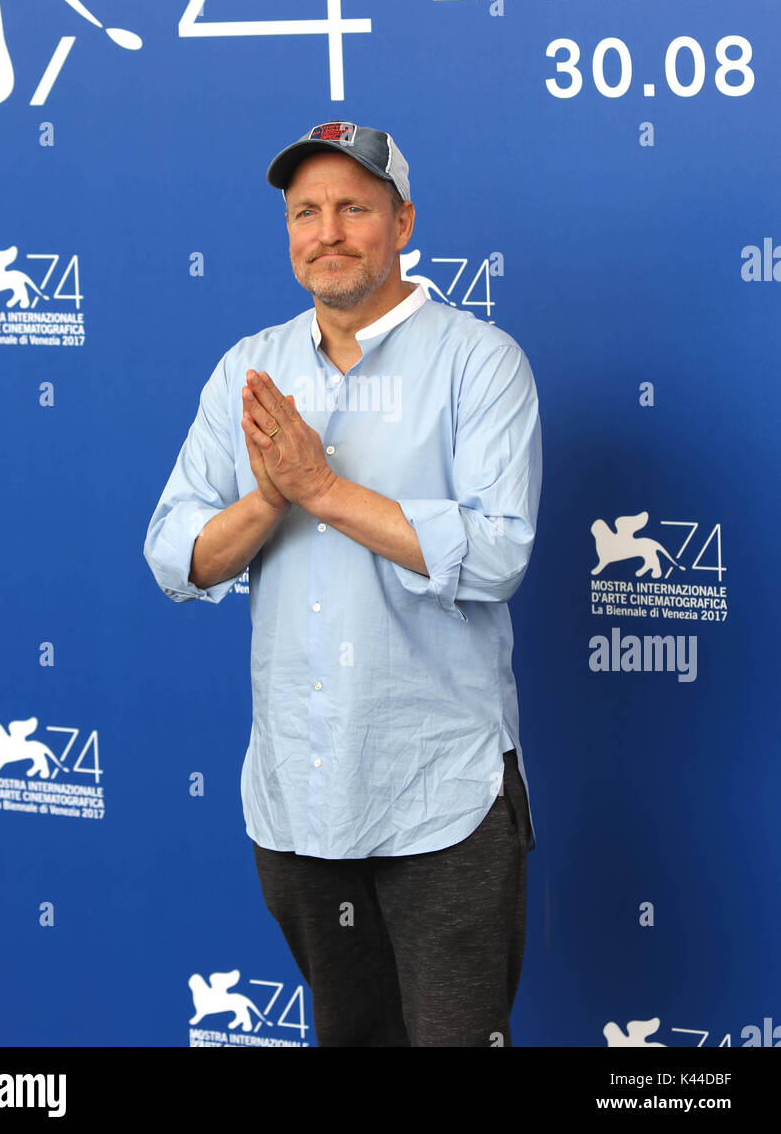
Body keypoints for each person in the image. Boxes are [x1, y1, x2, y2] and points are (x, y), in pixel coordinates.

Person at [144, 121, 542, 1047]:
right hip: (299, 796)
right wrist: (271, 500)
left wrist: (322, 488)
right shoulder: (250, 370)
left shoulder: (481, 363)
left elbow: (496, 556)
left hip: (439, 797)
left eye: (354, 209)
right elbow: (177, 555)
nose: (328, 232)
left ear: (402, 221)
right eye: (306, 212)